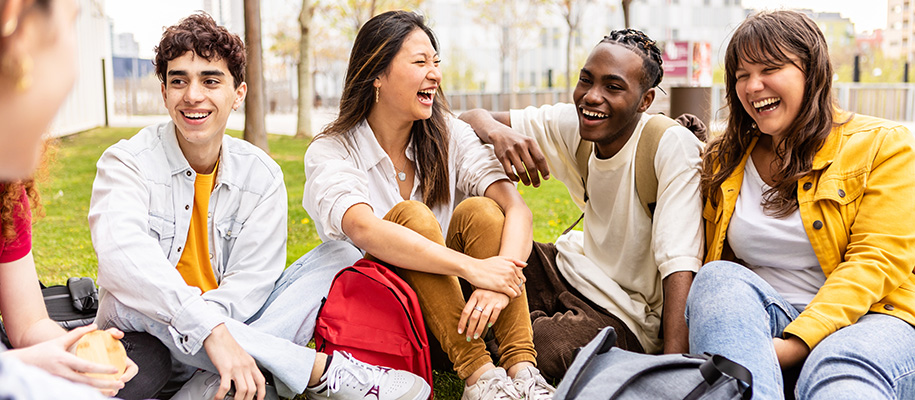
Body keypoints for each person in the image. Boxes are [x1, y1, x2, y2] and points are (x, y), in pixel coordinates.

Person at [89, 13, 428, 400]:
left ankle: (218, 377)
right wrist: (208, 331)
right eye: (178, 80)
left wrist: (218, 332)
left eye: (210, 80)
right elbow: (123, 261)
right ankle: (313, 370)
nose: (193, 95)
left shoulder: (262, 175)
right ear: (164, 92)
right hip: (149, 333)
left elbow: (250, 289)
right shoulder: (126, 162)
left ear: (239, 93)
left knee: (340, 252)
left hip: (235, 328)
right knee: (139, 298)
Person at [304, 10, 555, 400]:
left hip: (460, 318)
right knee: (411, 216)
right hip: (390, 323)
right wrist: (473, 268)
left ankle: (523, 370)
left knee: (483, 212)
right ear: (376, 74)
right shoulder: (332, 150)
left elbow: (518, 210)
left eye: (436, 62)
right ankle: (480, 377)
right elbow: (362, 228)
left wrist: (497, 286)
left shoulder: (449, 134)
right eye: (420, 62)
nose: (434, 73)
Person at [686, 10, 915, 399]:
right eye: (742, 75)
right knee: (717, 279)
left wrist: (794, 347)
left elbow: (875, 262)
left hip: (870, 319)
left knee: (842, 372)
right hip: (762, 316)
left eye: (769, 68)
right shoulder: (725, 159)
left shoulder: (884, 145)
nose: (753, 86)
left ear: (813, 72)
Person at [460, 29, 704, 379]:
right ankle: (506, 331)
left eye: (613, 87)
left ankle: (503, 334)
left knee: (548, 346)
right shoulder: (577, 123)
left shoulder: (667, 145)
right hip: (572, 269)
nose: (592, 97)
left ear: (646, 99)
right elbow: (471, 117)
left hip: (629, 313)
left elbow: (679, 264)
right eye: (586, 80)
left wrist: (671, 369)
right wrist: (500, 133)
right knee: (480, 260)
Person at [0, 0, 137, 398]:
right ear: (15, 20)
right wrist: (21, 368)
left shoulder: (8, 194)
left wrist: (76, 348)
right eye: (71, 24)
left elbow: (27, 326)